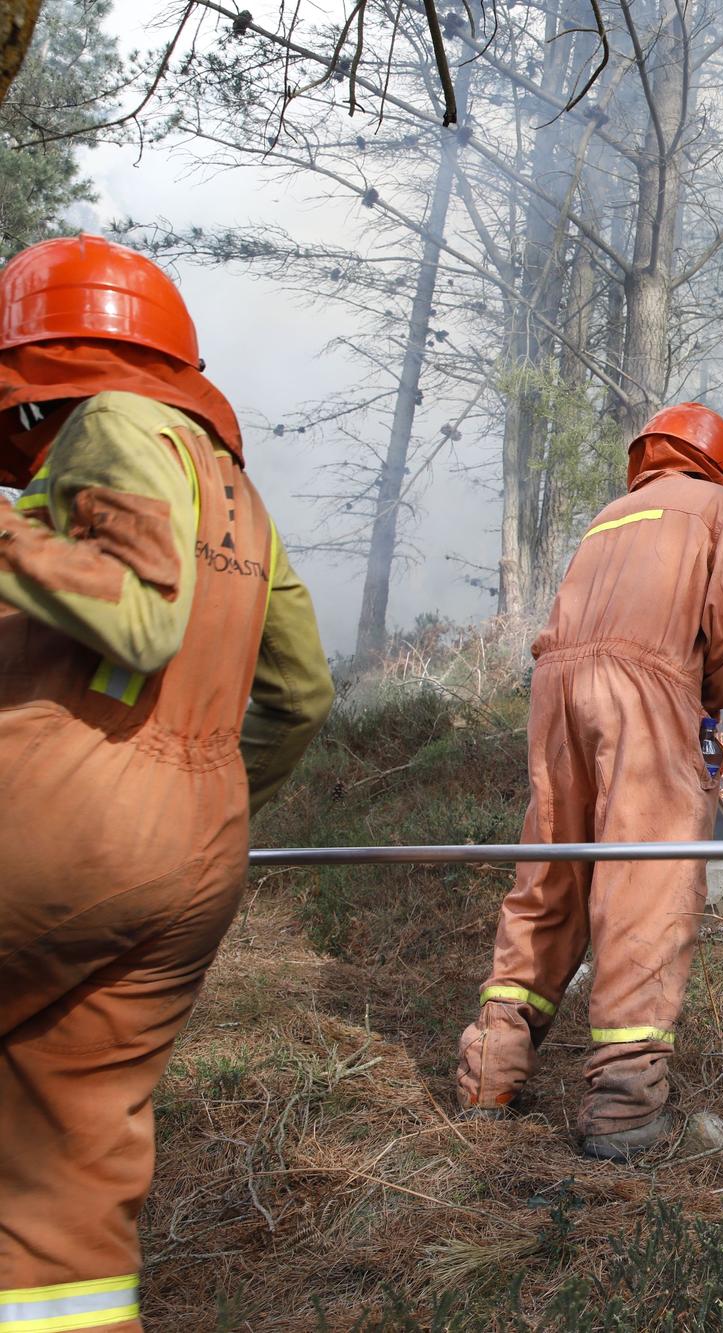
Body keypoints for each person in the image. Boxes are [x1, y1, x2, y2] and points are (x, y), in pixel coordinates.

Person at [0, 235, 333, 1328]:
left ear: (39, 376)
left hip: (60, 827)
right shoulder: (232, 486)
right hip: (192, 864)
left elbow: (140, 613)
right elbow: (302, 691)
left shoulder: (104, 420)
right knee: (73, 1166)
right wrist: (203, 799)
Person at [455, 402, 723, 1161]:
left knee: (550, 873)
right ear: (720, 464)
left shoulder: (610, 514)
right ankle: (624, 1103)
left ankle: (490, 1071)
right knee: (645, 880)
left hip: (555, 688)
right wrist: (711, 698)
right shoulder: (722, 507)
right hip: (647, 689)